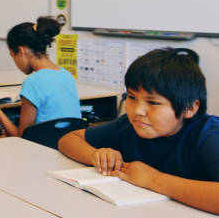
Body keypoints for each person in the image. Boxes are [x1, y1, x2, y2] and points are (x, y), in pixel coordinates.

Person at [58, 48, 219, 214]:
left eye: (153, 103)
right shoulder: (131, 124)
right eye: (132, 97)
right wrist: (96, 155)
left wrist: (153, 179)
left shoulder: (209, 136)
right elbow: (69, 139)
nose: (138, 111)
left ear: (190, 108)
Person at [0, 16, 80, 136]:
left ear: (21, 51)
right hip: (70, 145)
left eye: (12, 56)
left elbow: (22, 137)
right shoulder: (66, 74)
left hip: (44, 148)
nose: (15, 62)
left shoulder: (32, 82)